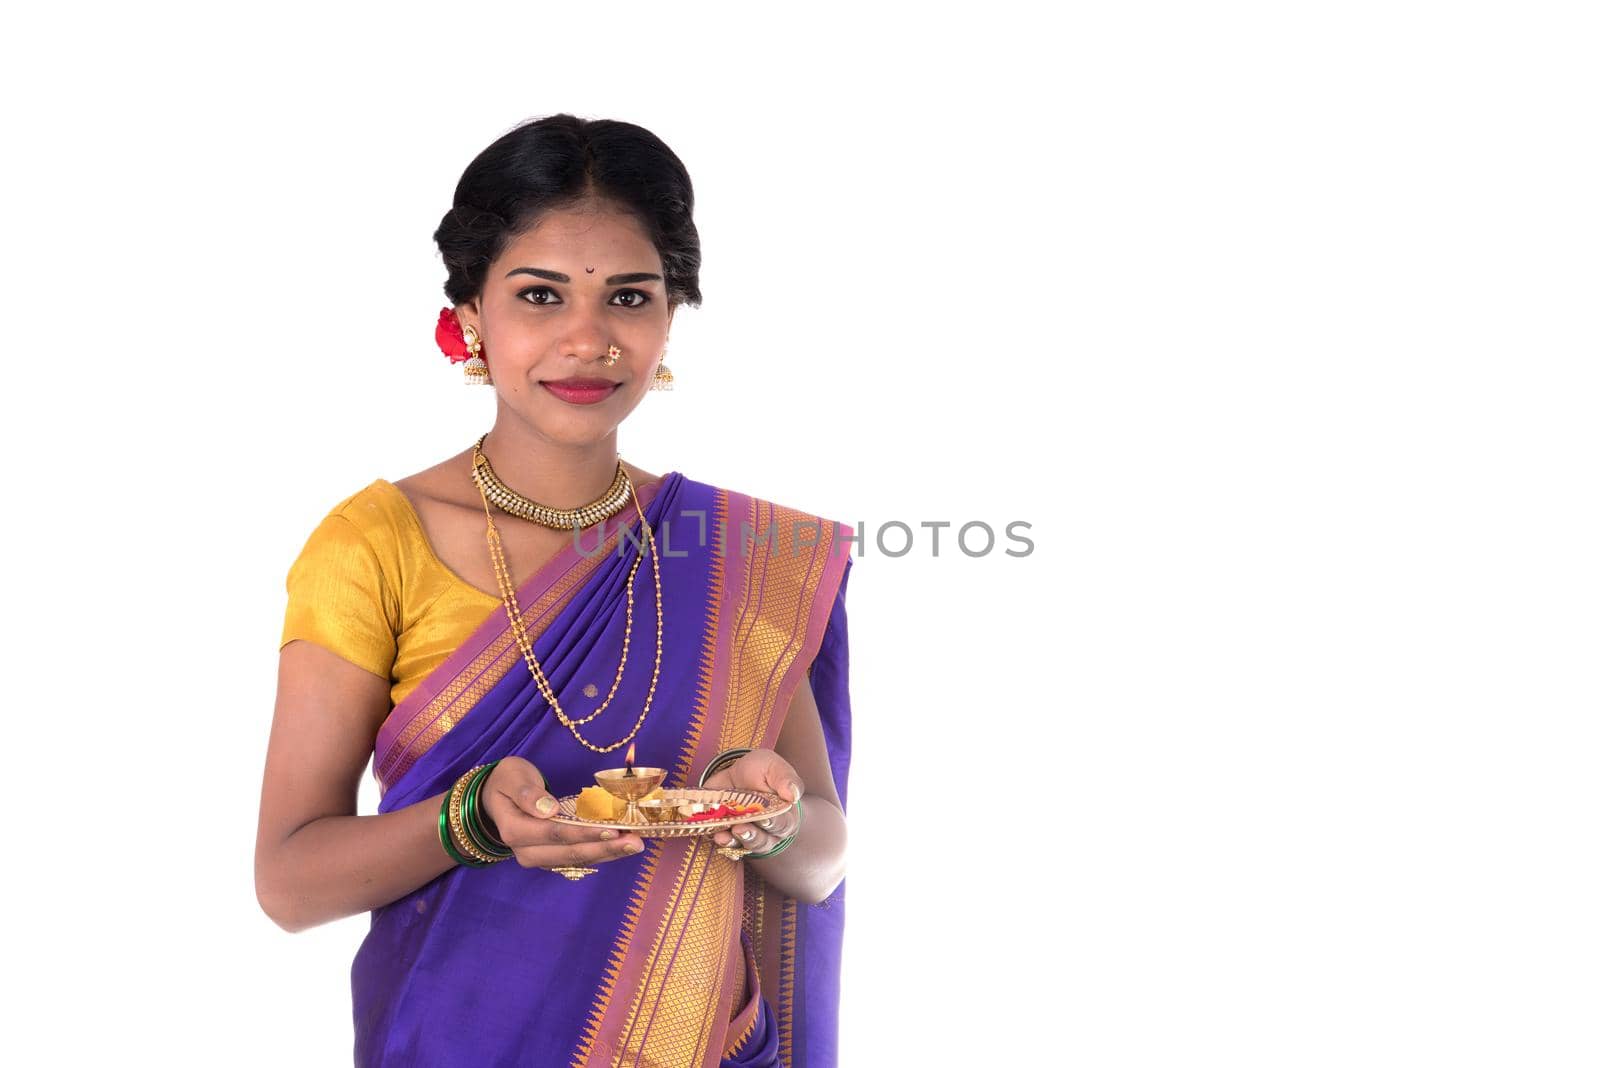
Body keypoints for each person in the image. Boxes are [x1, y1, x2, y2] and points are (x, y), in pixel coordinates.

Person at [254, 114, 855, 1068]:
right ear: (468, 320)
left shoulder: (734, 550)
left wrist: (766, 817)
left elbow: (821, 857)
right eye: (540, 295)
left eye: (628, 296)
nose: (588, 338)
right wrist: (470, 819)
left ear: (668, 319)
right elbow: (289, 880)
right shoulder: (375, 544)